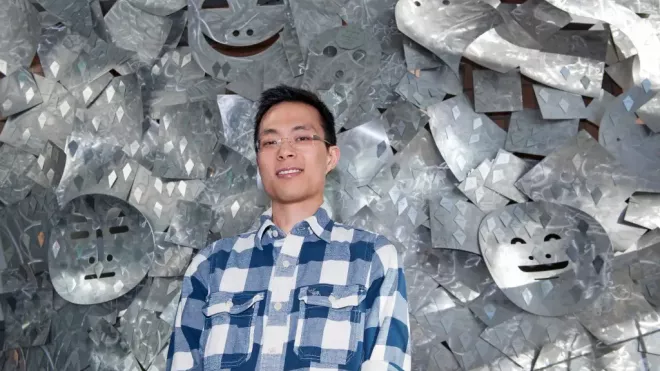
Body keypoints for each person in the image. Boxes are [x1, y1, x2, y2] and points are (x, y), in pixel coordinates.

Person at [166, 85, 410, 371]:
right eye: (270, 143)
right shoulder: (211, 265)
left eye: (302, 137)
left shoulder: (373, 259)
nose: (285, 152)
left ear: (331, 157)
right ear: (259, 161)